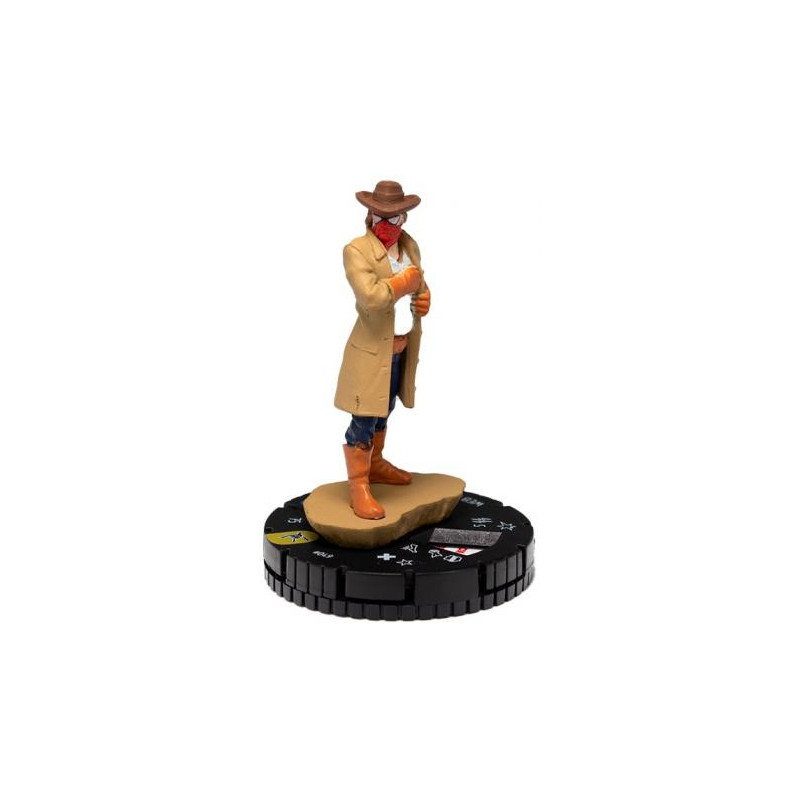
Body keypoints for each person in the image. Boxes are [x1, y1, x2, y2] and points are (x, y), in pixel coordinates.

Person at [334, 180, 432, 519]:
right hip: (371, 351)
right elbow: (372, 297)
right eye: (380, 217)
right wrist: (404, 283)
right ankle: (358, 485)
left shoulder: (409, 246)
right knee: (364, 417)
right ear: (369, 215)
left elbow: (420, 281)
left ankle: (374, 464)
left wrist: (424, 297)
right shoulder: (356, 250)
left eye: (394, 218)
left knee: (385, 410)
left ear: (404, 217)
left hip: (400, 348)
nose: (387, 225)